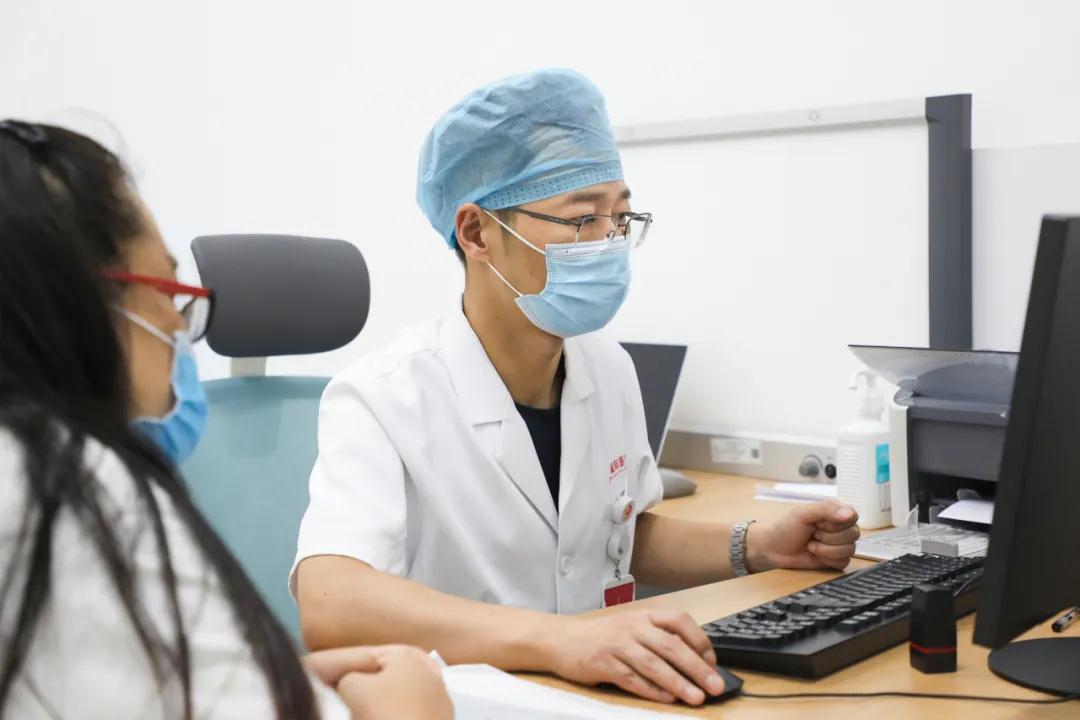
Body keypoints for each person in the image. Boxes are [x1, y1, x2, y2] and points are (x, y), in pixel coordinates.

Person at [292, 69, 861, 707]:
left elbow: (617, 538)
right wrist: (558, 640)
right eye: (582, 219)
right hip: (462, 702)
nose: (609, 243)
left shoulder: (606, 368)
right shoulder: (382, 397)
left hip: (598, 692)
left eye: (620, 217)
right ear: (477, 233)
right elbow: (331, 602)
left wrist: (755, 544)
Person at [0, 120, 453, 720]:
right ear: (76, 299)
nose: (176, 323)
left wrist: (276, 676)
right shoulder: (67, 488)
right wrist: (410, 710)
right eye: (167, 289)